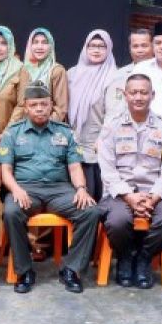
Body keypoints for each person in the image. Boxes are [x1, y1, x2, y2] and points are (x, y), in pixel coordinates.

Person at [0, 83, 100, 294]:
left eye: (43, 104)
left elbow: (74, 167)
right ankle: (25, 271)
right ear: (25, 107)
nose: (39, 109)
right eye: (33, 105)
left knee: (90, 211)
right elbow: (6, 171)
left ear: (51, 106)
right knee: (11, 212)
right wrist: (16, 190)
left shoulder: (66, 133)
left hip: (60, 190)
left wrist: (81, 188)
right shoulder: (12, 133)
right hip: (26, 189)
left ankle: (71, 269)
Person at [97, 73, 162, 288]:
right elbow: (107, 168)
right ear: (125, 95)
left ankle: (144, 257)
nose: (138, 97)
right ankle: (126, 256)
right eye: (133, 92)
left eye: (143, 92)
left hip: (155, 192)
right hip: (120, 193)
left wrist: (153, 198)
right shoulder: (111, 126)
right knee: (116, 221)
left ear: (152, 95)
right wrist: (129, 196)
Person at [67, 30, 116, 199]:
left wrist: (102, 138)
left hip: (98, 147)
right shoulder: (72, 74)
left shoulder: (114, 77)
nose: (96, 50)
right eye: (92, 46)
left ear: (108, 49)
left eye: (102, 46)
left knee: (94, 196)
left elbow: (114, 114)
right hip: (72, 143)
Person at [4, 28, 67, 124]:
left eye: (44, 42)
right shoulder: (23, 70)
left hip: (49, 128)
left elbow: (61, 108)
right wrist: (13, 128)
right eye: (35, 42)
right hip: (24, 128)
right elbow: (20, 105)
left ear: (51, 46)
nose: (40, 47)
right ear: (30, 45)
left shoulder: (57, 71)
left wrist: (43, 127)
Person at [102, 28, 155, 124]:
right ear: (130, 49)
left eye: (144, 46)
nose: (140, 50)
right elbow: (112, 110)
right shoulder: (119, 75)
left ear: (153, 47)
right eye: (135, 46)